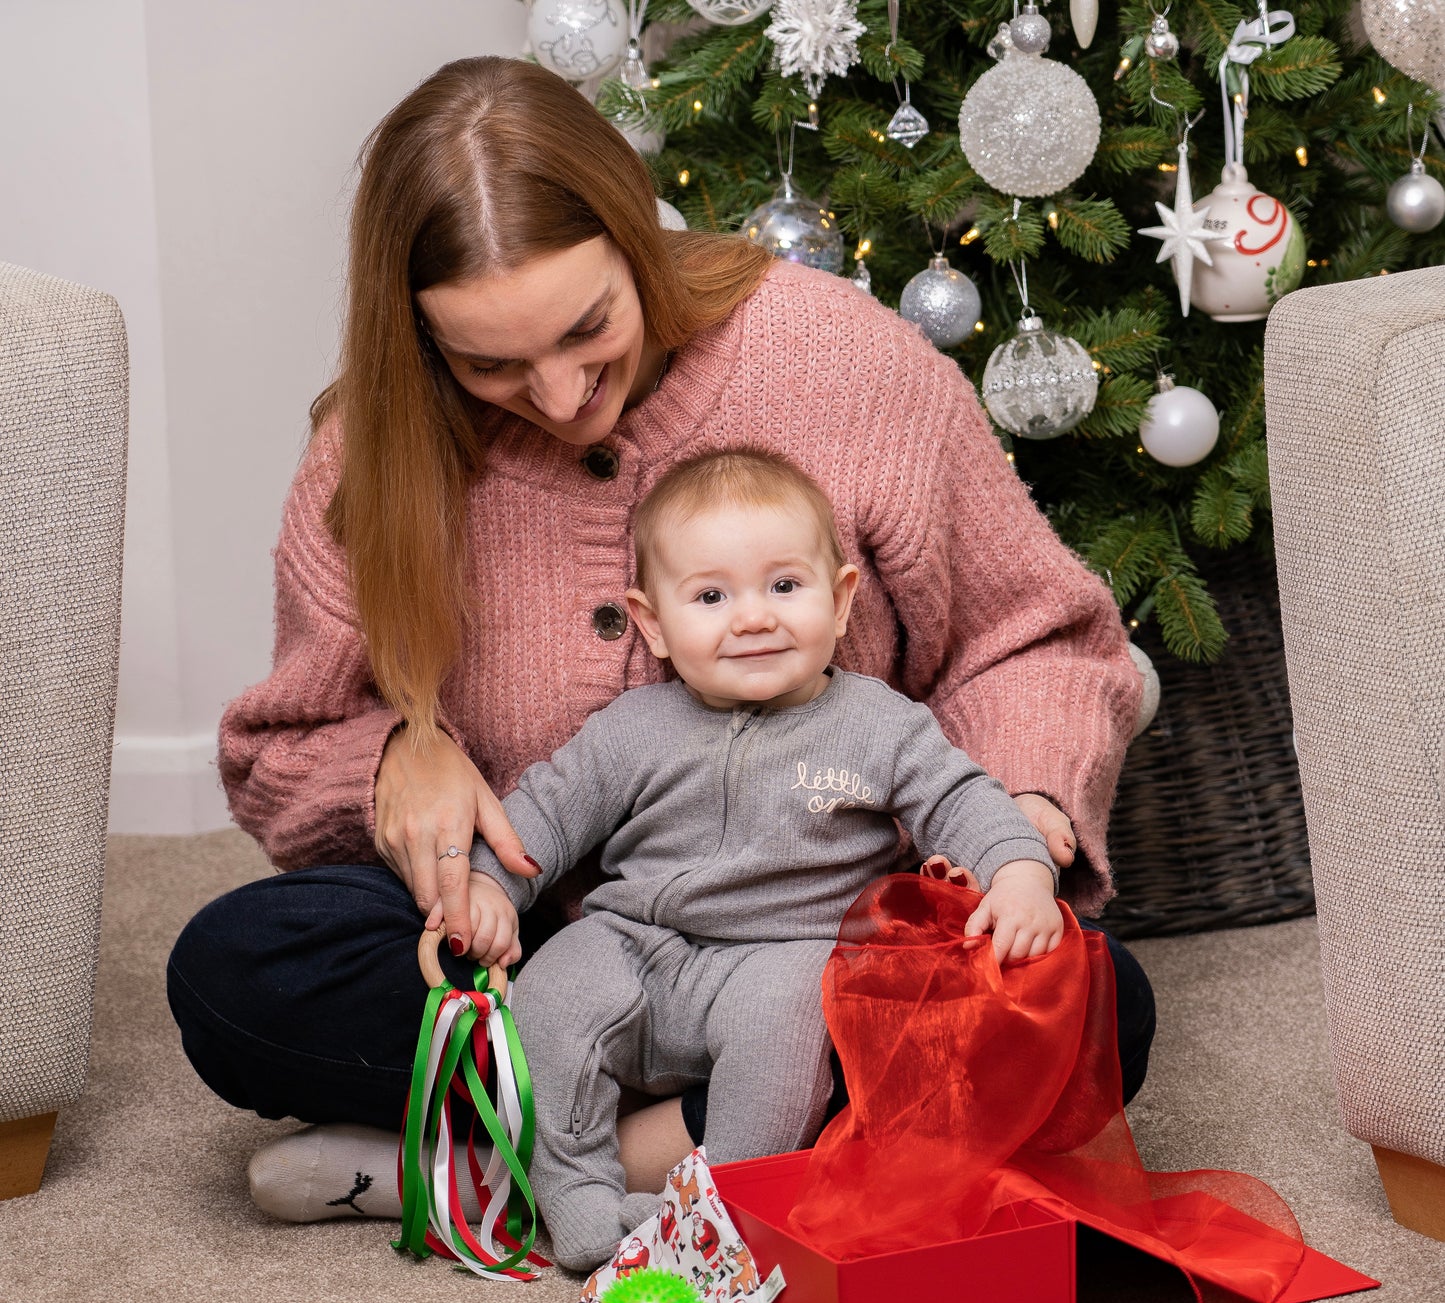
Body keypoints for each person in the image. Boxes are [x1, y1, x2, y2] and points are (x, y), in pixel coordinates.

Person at [165, 55, 1154, 1230]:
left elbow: (1032, 635)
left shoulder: (841, 359)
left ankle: (492, 1161)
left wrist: (1020, 817)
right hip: (537, 945)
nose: (561, 390)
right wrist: (392, 754)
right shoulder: (370, 450)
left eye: (589, 327)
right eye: (489, 364)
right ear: (421, 338)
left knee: (1097, 1007)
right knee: (238, 968)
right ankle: (707, 1132)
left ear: (636, 237)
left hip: (816, 945)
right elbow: (282, 743)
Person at [464, 448, 1064, 1269]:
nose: (752, 617)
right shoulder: (633, 728)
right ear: (651, 622)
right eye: (711, 596)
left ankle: (728, 1205)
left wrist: (1019, 869)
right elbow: (541, 813)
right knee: (553, 991)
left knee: (796, 1017)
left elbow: (961, 797)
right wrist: (486, 884)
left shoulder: (875, 723)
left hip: (780, 956)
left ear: (841, 598)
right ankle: (577, 1197)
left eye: (784, 586)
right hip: (636, 942)